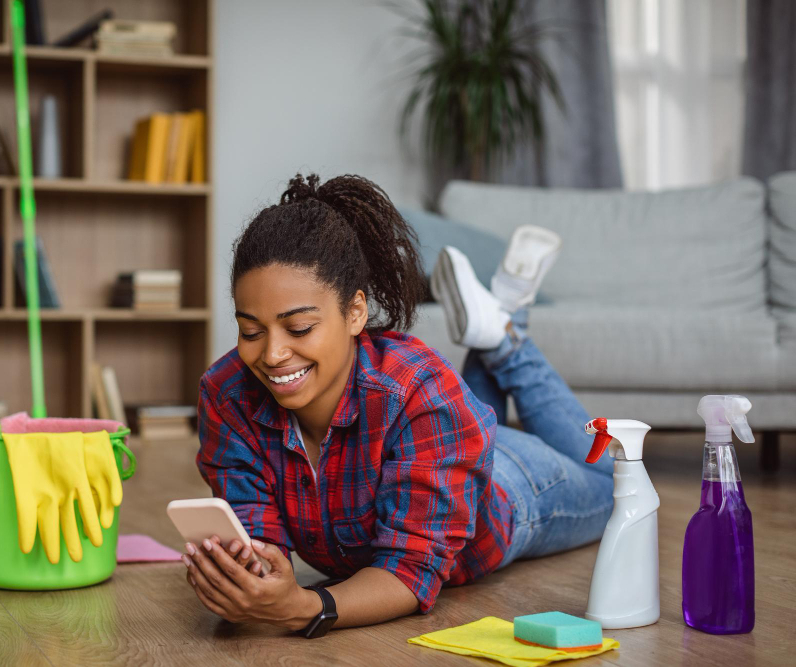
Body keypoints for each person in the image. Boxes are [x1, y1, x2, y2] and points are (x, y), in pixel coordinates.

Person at [180, 173, 614, 637]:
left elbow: (411, 570)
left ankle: (507, 339)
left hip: (516, 489)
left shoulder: (419, 390)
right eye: (250, 331)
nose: (271, 354)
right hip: (448, 443)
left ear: (355, 313)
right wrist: (243, 579)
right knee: (461, 412)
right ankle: (497, 321)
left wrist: (307, 606)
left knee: (613, 485)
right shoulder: (227, 393)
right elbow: (255, 535)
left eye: (300, 328)